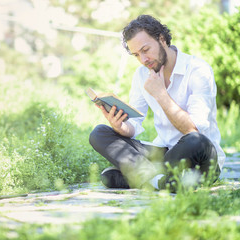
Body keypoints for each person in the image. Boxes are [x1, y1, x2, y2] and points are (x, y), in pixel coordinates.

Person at [89, 15, 225, 192]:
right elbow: (135, 124)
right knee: (99, 133)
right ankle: (160, 180)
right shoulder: (141, 75)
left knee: (196, 141)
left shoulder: (198, 70)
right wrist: (121, 126)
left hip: (200, 157)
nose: (143, 59)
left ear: (162, 39)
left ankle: (143, 176)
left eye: (146, 49)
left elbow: (194, 130)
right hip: (165, 152)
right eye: (137, 55)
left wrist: (161, 95)